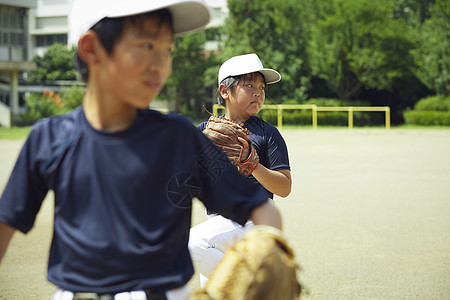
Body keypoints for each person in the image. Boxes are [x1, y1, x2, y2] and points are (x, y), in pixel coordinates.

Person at [0, 2, 282, 299]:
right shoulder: (50, 139)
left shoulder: (180, 138)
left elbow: (259, 208)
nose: (161, 63)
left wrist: (269, 249)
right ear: (92, 49)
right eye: (146, 45)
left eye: (167, 50)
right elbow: (6, 222)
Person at [189, 53, 292, 287]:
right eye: (249, 85)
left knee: (194, 244)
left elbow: (284, 187)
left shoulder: (268, 134)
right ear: (225, 91)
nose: (258, 92)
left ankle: (248, 285)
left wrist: (254, 165)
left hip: (252, 220)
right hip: (217, 223)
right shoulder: (205, 131)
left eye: (262, 87)